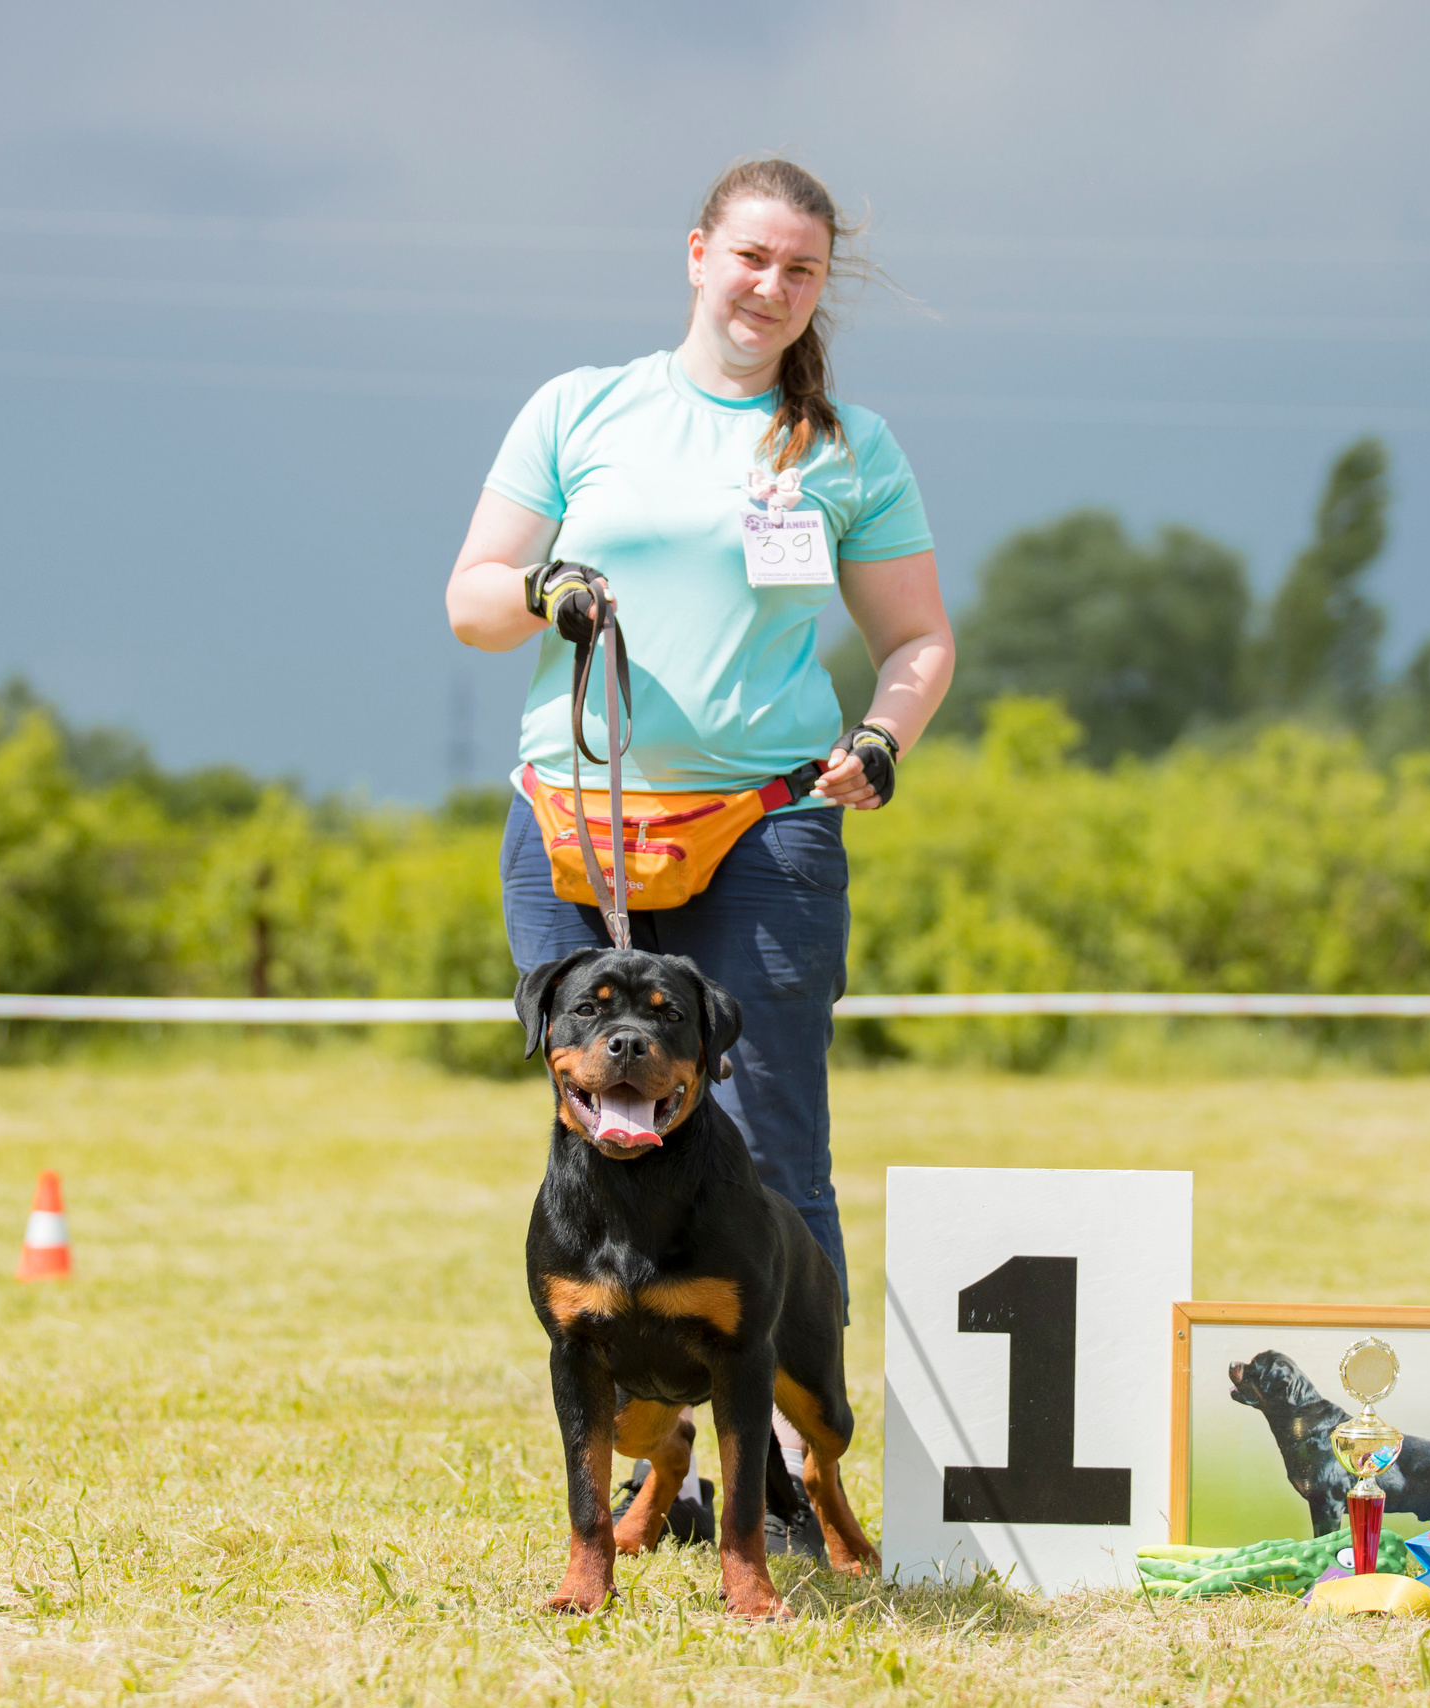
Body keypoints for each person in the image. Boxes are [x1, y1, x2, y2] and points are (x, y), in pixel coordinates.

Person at [445, 157, 955, 1545]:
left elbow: (919, 640)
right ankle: (643, 1458)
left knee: (773, 1154)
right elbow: (473, 599)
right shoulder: (581, 407)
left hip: (769, 823)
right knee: (595, 1132)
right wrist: (547, 590)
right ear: (695, 253)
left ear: (817, 286)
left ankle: (786, 1476)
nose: (770, 289)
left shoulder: (848, 446)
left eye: (798, 271)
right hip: (575, 819)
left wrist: (886, 737)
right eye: (749, 259)